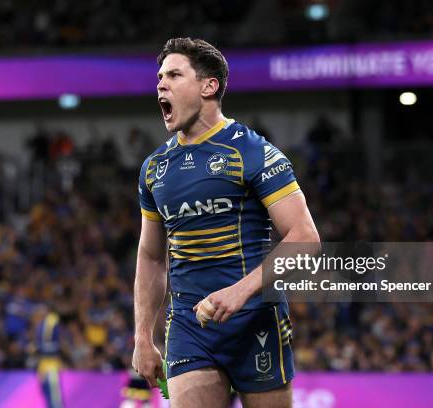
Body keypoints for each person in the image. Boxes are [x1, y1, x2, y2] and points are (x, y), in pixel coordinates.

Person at [132, 38, 320, 408]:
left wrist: (239, 292)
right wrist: (142, 336)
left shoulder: (253, 152)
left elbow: (306, 238)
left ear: (208, 86)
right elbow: (151, 256)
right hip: (189, 326)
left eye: (173, 75)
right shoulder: (154, 168)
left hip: (255, 322)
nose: (161, 85)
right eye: (159, 78)